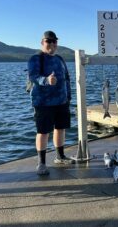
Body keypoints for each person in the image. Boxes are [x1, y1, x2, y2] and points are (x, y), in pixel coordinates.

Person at [28, 30, 72, 175]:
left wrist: (68, 97)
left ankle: (60, 156)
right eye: (48, 41)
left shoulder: (60, 59)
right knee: (42, 132)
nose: (52, 44)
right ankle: (41, 163)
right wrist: (47, 80)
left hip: (61, 102)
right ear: (42, 42)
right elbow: (34, 77)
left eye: (54, 41)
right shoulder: (35, 59)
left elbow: (66, 78)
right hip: (42, 103)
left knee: (60, 128)